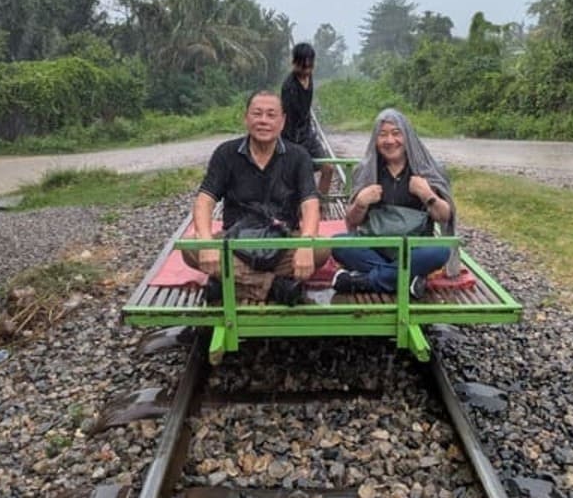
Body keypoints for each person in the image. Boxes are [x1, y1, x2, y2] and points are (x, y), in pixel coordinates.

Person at [183, 89, 329, 304]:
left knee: (322, 249)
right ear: (246, 118)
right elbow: (205, 200)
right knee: (189, 247)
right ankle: (275, 287)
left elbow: (310, 203)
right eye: (257, 113)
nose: (263, 121)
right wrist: (205, 241)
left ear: (282, 121)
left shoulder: (298, 156)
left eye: (271, 115)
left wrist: (306, 243)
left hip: (282, 242)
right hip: (234, 243)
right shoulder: (226, 153)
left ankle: (233, 283)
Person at [331, 108, 457, 298]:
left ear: (407, 136)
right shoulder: (366, 170)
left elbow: (444, 216)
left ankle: (364, 281)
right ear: (376, 139)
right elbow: (353, 221)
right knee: (339, 244)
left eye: (396, 133)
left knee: (439, 250)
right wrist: (360, 203)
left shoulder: (427, 169)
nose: (390, 141)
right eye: (383, 135)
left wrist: (427, 194)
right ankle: (405, 281)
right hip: (374, 248)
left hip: (413, 248)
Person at [280, 42, 333, 197]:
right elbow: (288, 122)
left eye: (309, 66)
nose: (306, 70)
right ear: (295, 63)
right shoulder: (289, 87)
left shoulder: (309, 77)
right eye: (303, 66)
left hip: (307, 134)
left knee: (328, 168)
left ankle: (320, 206)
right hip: (292, 138)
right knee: (299, 178)